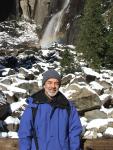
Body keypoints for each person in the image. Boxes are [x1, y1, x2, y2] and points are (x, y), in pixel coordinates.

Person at [18, 69, 82, 150]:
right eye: (49, 82)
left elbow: (75, 133)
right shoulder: (33, 107)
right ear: (44, 85)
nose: (53, 86)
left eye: (56, 83)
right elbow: (24, 134)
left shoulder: (68, 107)